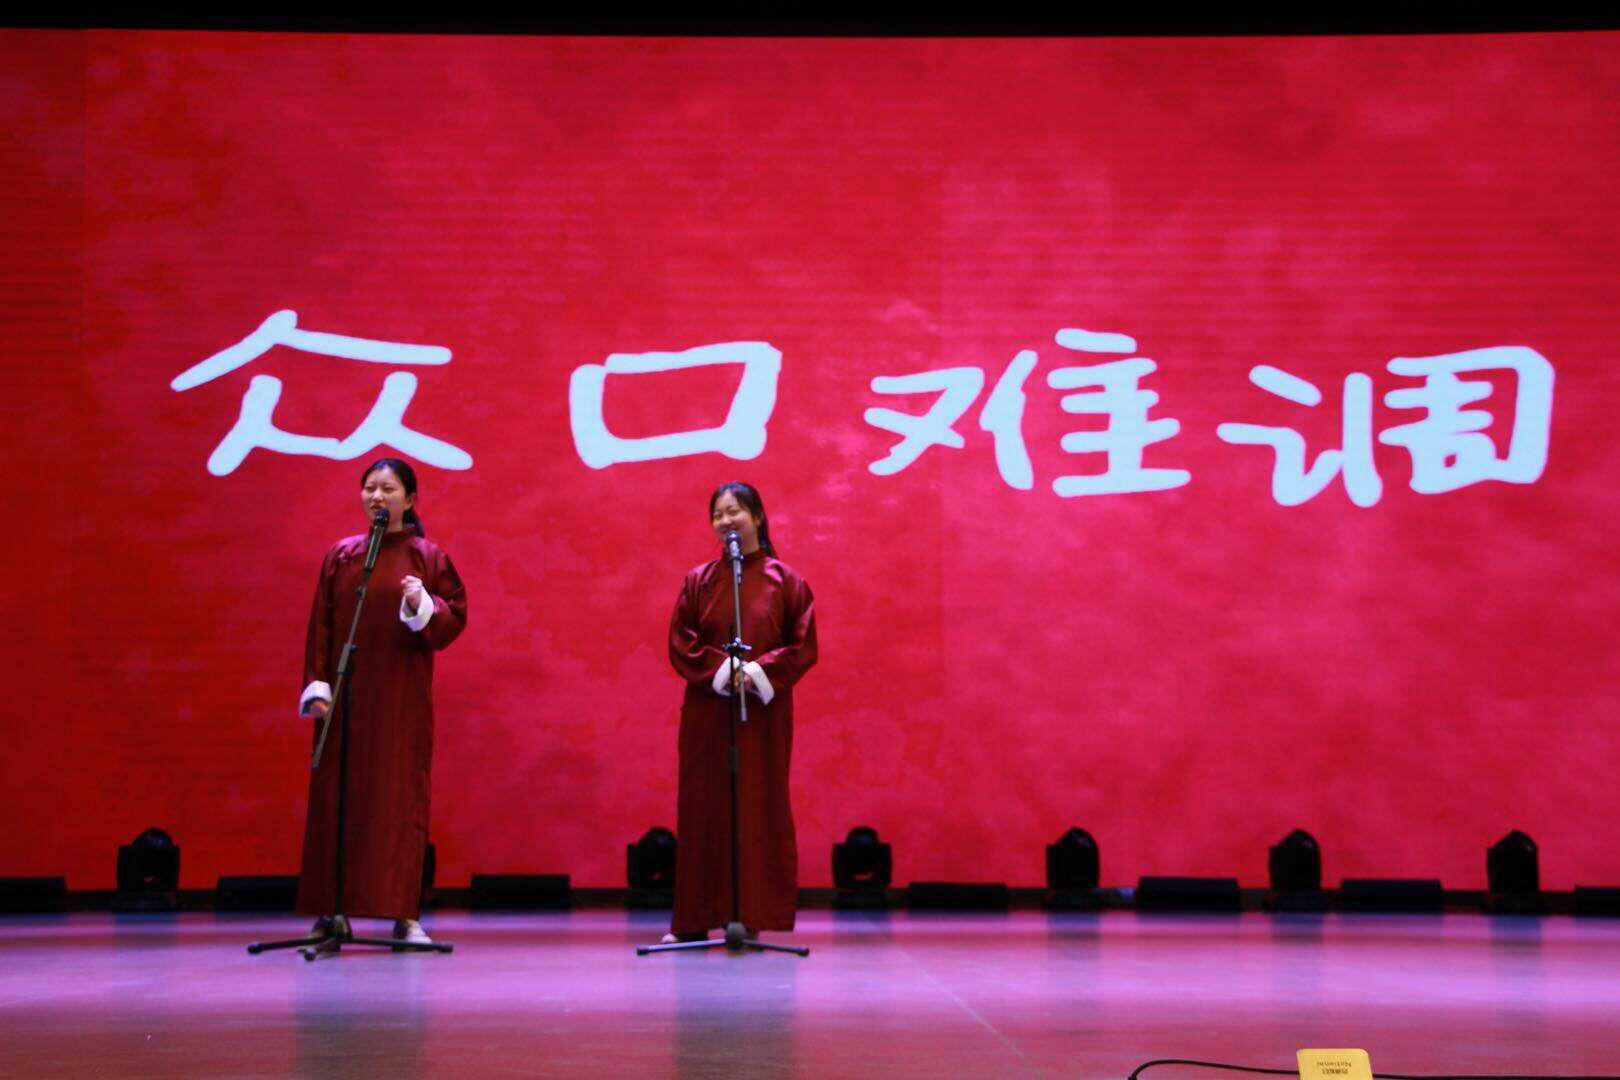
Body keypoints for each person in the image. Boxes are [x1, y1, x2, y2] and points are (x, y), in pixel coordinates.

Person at [294, 458, 467, 945]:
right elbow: (321, 625)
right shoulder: (342, 556)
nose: (377, 497)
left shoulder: (426, 557)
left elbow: (452, 620)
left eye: (388, 489)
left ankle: (403, 915)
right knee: (336, 803)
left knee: (398, 804)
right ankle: (333, 911)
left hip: (398, 703)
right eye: (370, 488)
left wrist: (421, 605)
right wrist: (318, 686)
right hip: (344, 703)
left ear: (409, 501)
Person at [663, 482, 818, 943]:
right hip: (708, 709)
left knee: (757, 804)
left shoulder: (786, 581)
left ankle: (751, 915)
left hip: (763, 713)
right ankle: (692, 921)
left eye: (735, 511)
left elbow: (802, 645)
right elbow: (681, 640)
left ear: (758, 517)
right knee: (703, 807)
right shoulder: (699, 581)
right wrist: (722, 670)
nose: (726, 521)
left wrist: (755, 672)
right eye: (718, 514)